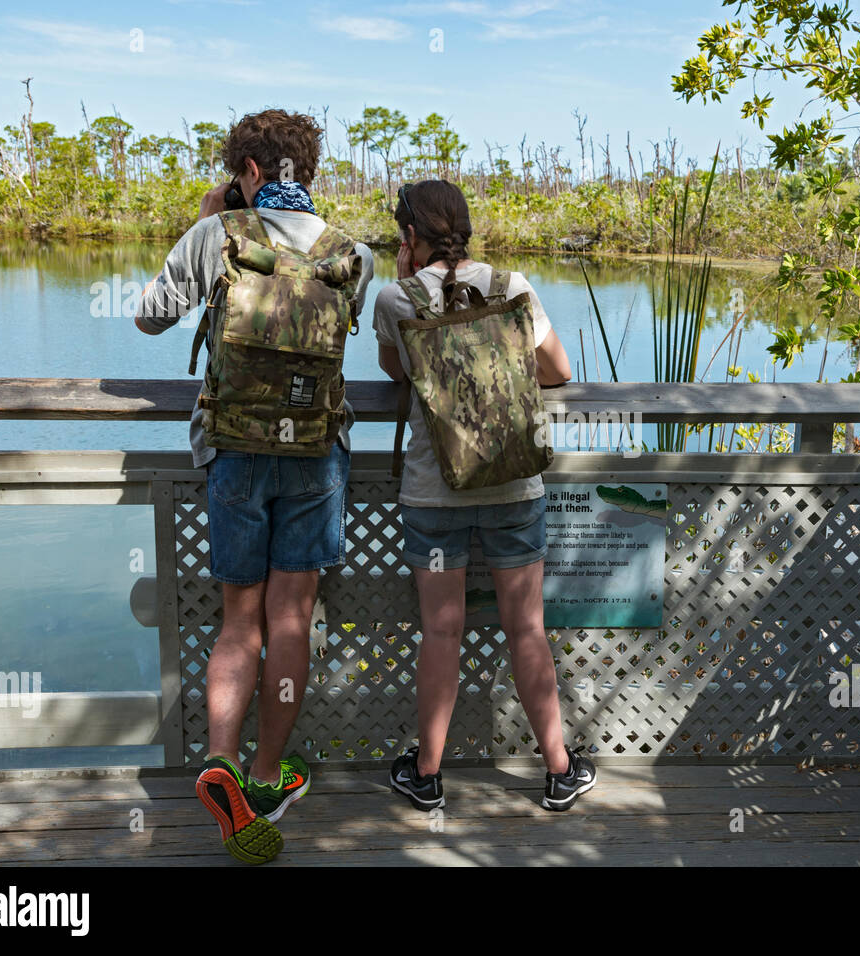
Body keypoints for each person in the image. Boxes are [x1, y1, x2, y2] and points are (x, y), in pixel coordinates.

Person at [136, 109, 375, 863]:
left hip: (234, 452)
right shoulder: (353, 254)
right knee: (291, 620)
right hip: (315, 453)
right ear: (308, 168)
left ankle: (220, 761)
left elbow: (149, 317)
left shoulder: (218, 237)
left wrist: (209, 219)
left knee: (239, 622)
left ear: (245, 170)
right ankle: (270, 777)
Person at [373, 180, 597, 811]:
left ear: (410, 235)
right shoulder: (514, 288)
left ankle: (428, 774)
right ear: (466, 228)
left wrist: (405, 273)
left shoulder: (396, 297)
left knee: (441, 632)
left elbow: (398, 370)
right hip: (512, 485)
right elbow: (559, 371)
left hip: (433, 494)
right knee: (526, 628)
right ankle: (558, 769)